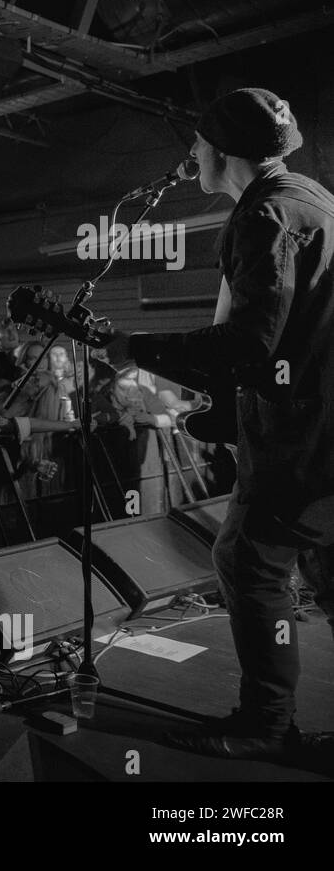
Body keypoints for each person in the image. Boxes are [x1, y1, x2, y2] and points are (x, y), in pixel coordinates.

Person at [102, 88, 333, 764]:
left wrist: (138, 347)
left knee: (247, 559)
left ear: (222, 151)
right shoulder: (315, 199)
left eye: (197, 145)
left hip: (302, 439)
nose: (192, 157)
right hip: (324, 430)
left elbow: (250, 345)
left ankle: (265, 722)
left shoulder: (263, 214)